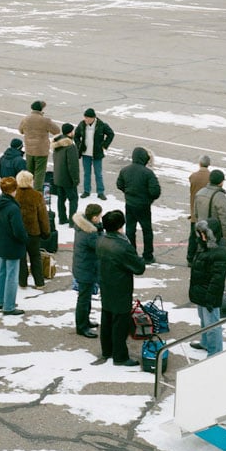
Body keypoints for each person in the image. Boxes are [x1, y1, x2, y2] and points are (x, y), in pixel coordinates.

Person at [96, 210, 146, 367]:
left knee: (107, 317)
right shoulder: (122, 246)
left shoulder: (101, 241)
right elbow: (139, 268)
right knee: (120, 322)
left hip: (106, 283)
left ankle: (107, 350)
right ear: (119, 226)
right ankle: (120, 356)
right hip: (120, 287)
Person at [188, 218, 226, 355]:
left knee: (212, 325)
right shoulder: (204, 246)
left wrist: (210, 298)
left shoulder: (220, 253)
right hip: (202, 291)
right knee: (204, 320)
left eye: (204, 233)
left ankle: (215, 352)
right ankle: (205, 342)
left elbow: (217, 279)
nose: (202, 236)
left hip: (209, 294)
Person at [116, 147, 162, 264]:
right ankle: (148, 255)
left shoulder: (125, 170)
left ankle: (132, 254)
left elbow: (119, 184)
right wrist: (148, 199)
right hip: (143, 206)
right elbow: (155, 191)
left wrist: (128, 193)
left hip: (130, 204)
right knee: (147, 230)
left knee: (130, 230)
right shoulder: (148, 173)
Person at [0, 177, 27, 316]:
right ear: (13, 189)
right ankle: (9, 306)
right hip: (13, 245)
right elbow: (18, 230)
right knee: (12, 275)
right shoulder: (12, 207)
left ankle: (0, 300)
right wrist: (25, 239)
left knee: (1, 272)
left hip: (1, 242)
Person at [72, 204, 103, 339]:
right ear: (94, 217)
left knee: (86, 297)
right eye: (100, 216)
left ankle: (85, 321)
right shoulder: (90, 233)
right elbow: (100, 246)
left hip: (82, 266)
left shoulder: (82, 226)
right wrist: (100, 231)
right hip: (86, 269)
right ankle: (81, 327)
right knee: (83, 300)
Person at [14, 170, 49, 288]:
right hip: (34, 232)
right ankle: (39, 282)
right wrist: (46, 231)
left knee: (21, 258)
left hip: (18, 233)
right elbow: (43, 216)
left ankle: (22, 282)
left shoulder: (15, 195)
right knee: (35, 257)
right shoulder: (37, 196)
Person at [18, 100, 61, 191]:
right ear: (41, 109)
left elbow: (21, 131)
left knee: (29, 172)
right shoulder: (45, 121)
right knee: (40, 173)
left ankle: (28, 190)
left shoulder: (26, 119)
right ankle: (37, 192)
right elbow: (57, 130)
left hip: (29, 150)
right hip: (41, 151)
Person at [73, 108, 114, 200]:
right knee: (86, 173)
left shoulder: (101, 125)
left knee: (98, 173)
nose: (85, 119)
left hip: (97, 153)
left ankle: (100, 192)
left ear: (93, 118)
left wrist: (104, 145)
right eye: (85, 117)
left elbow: (111, 134)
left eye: (87, 118)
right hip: (85, 153)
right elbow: (76, 136)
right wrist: (79, 145)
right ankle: (86, 191)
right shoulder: (82, 124)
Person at [51, 123, 80, 228]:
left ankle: (62, 219)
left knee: (61, 199)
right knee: (73, 199)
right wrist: (75, 179)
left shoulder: (57, 144)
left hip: (58, 177)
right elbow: (73, 165)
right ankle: (73, 221)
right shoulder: (70, 146)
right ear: (70, 132)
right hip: (67, 179)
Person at [193, 169, 226, 249]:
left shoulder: (200, 193)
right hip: (214, 236)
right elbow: (224, 220)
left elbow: (196, 214)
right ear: (221, 182)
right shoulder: (220, 197)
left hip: (201, 233)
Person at [187, 155, 212, 263]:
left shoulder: (193, 176)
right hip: (207, 212)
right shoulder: (211, 177)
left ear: (200, 163)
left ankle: (190, 258)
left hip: (195, 211)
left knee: (193, 236)